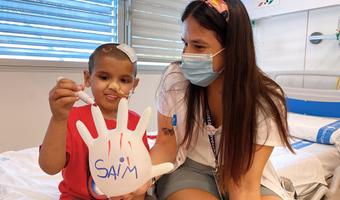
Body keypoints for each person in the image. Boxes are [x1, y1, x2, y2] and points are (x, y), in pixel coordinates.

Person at [149, 0, 294, 200]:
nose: (186, 55)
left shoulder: (265, 100)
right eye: (185, 43)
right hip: (191, 168)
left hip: (243, 172)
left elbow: (244, 185)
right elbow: (165, 143)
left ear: (232, 48)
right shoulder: (176, 79)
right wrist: (143, 177)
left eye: (198, 46)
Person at [39, 43, 150, 200]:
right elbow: (49, 167)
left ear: (134, 85)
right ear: (87, 78)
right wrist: (58, 118)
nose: (113, 86)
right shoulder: (71, 118)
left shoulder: (137, 123)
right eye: (104, 77)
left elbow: (141, 172)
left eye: (124, 80)